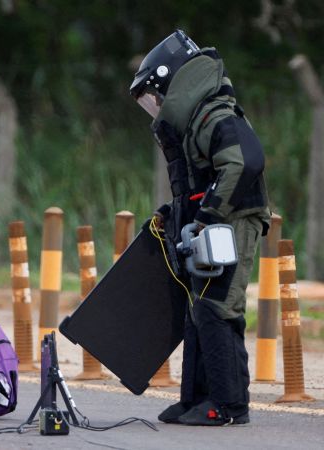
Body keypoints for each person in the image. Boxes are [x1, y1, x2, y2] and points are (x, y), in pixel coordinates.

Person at [130, 30, 271, 426]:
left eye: (154, 95)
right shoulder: (197, 118)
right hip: (217, 223)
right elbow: (202, 181)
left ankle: (228, 407)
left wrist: (207, 215)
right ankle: (195, 400)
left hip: (234, 220)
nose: (154, 106)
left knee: (217, 308)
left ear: (172, 81)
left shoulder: (215, 115)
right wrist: (172, 213)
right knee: (199, 310)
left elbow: (244, 163)